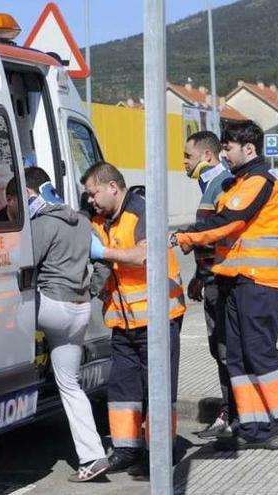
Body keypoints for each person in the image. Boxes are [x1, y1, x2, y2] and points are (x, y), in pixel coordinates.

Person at [170, 121, 278, 451]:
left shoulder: (260, 180)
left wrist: (186, 237)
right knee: (236, 356)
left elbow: (228, 222)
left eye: (229, 148)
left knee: (259, 352)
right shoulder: (238, 182)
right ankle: (254, 426)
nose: (224, 154)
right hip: (235, 279)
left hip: (259, 280)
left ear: (249, 149)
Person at [84, 162, 186, 477]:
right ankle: (127, 450)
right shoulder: (101, 220)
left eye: (93, 193)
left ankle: (159, 454)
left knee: (156, 389)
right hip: (123, 322)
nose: (90, 200)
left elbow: (144, 254)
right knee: (122, 390)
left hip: (158, 319)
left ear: (113, 187)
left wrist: (103, 253)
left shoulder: (142, 211)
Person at [25, 167, 110, 482]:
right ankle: (93, 456)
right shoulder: (84, 221)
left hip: (51, 305)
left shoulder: (42, 224)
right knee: (70, 385)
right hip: (80, 309)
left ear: (29, 194)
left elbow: (24, 265)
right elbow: (102, 260)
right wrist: (92, 290)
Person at [182, 131, 236, 439]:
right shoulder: (211, 186)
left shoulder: (222, 184)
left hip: (222, 282)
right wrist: (198, 277)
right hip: (212, 280)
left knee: (227, 350)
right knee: (221, 350)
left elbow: (218, 234)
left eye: (187, 156)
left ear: (207, 156)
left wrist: (206, 275)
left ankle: (232, 416)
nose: (183, 163)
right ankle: (230, 413)